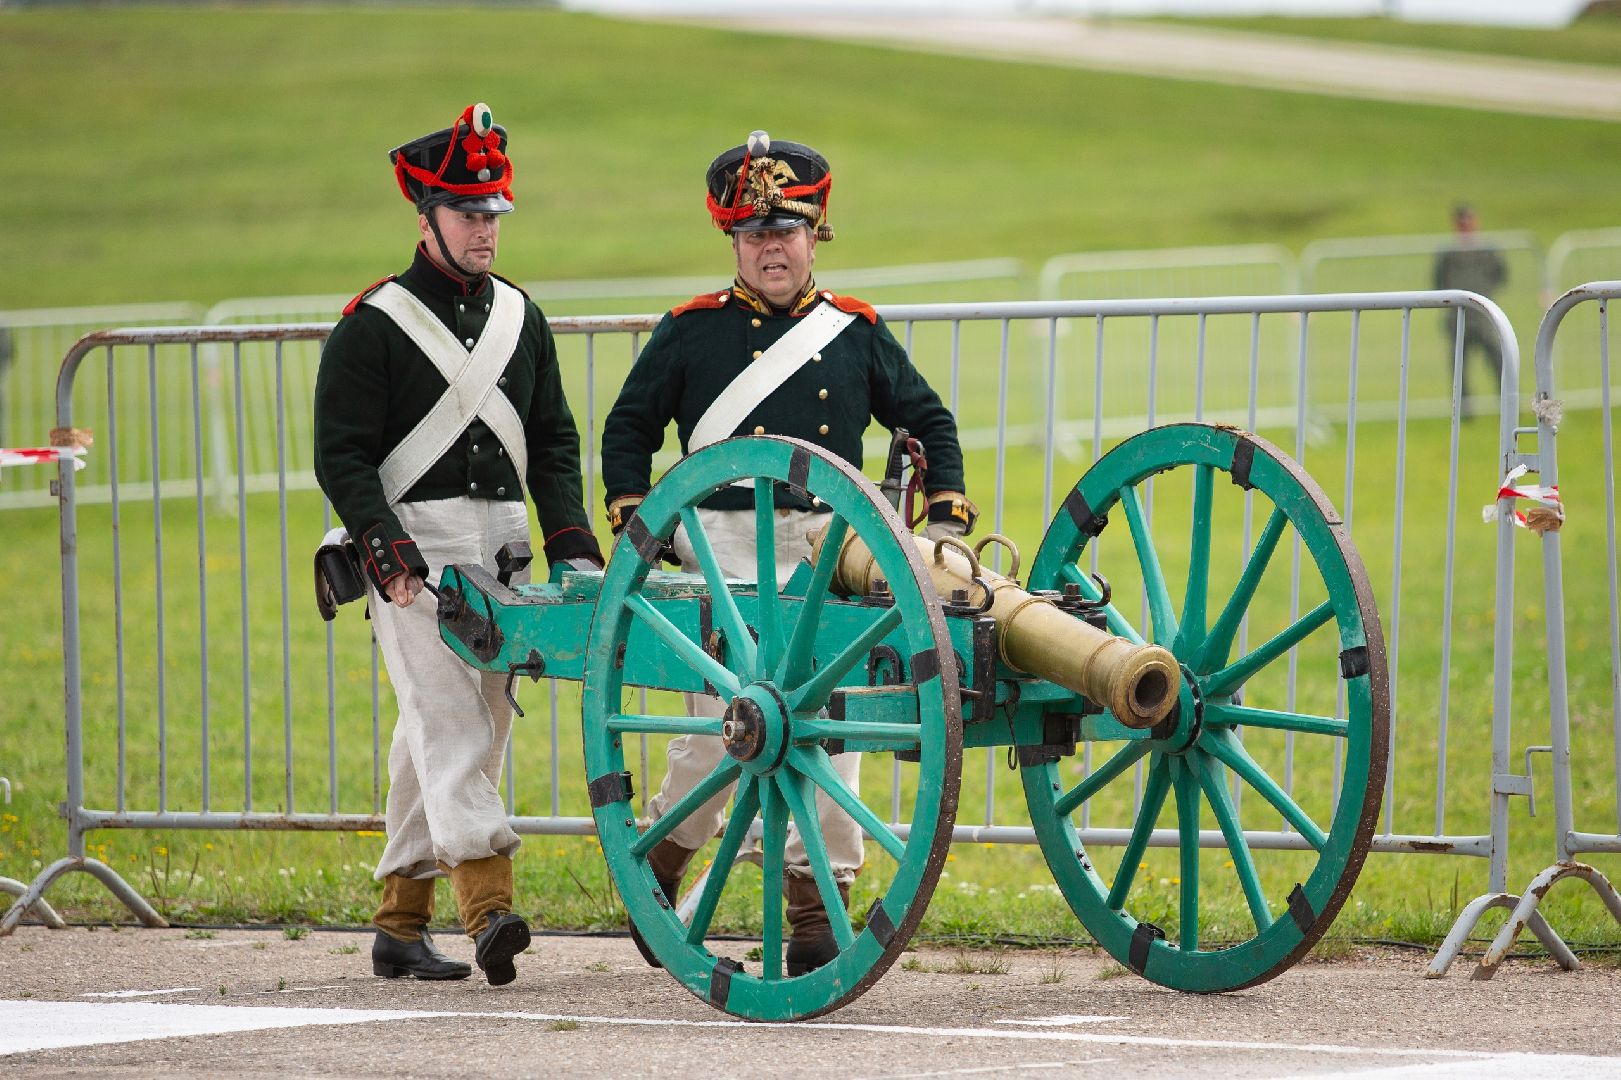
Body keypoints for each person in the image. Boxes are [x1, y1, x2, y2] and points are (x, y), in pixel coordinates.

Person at [601, 131, 976, 975]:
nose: (772, 248)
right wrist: (637, 516)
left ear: (815, 237)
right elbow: (629, 428)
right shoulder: (690, 332)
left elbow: (928, 422)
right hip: (721, 550)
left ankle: (816, 915)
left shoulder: (854, 332)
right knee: (713, 737)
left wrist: (946, 512)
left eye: (787, 231)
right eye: (754, 235)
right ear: (733, 242)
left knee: (825, 731)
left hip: (819, 554)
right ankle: (657, 874)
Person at [314, 102, 603, 987]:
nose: (485, 229)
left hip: (505, 545)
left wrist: (573, 547)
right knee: (449, 726)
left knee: (459, 732)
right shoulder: (375, 323)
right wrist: (385, 549)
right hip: (415, 554)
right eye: (469, 212)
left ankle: (400, 923)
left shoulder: (522, 316)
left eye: (493, 213)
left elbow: (552, 441)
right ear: (426, 215)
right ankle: (490, 907)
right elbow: (342, 454)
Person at [1431, 203, 1508, 410]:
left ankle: (1508, 402)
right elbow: (1438, 281)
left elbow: (1500, 275)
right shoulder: (1447, 252)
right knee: (1458, 365)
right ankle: (1463, 409)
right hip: (1457, 316)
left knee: (1498, 358)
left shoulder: (1488, 250)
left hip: (1484, 316)